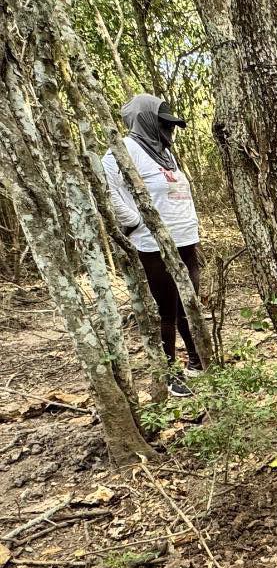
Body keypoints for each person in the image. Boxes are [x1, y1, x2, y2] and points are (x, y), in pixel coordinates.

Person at [103, 94, 203, 398]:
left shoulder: (165, 152)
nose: (168, 129)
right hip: (155, 242)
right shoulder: (123, 151)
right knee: (167, 308)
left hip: (186, 237)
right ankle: (171, 373)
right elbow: (110, 192)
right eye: (164, 123)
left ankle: (198, 361)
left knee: (191, 303)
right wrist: (135, 224)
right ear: (147, 120)